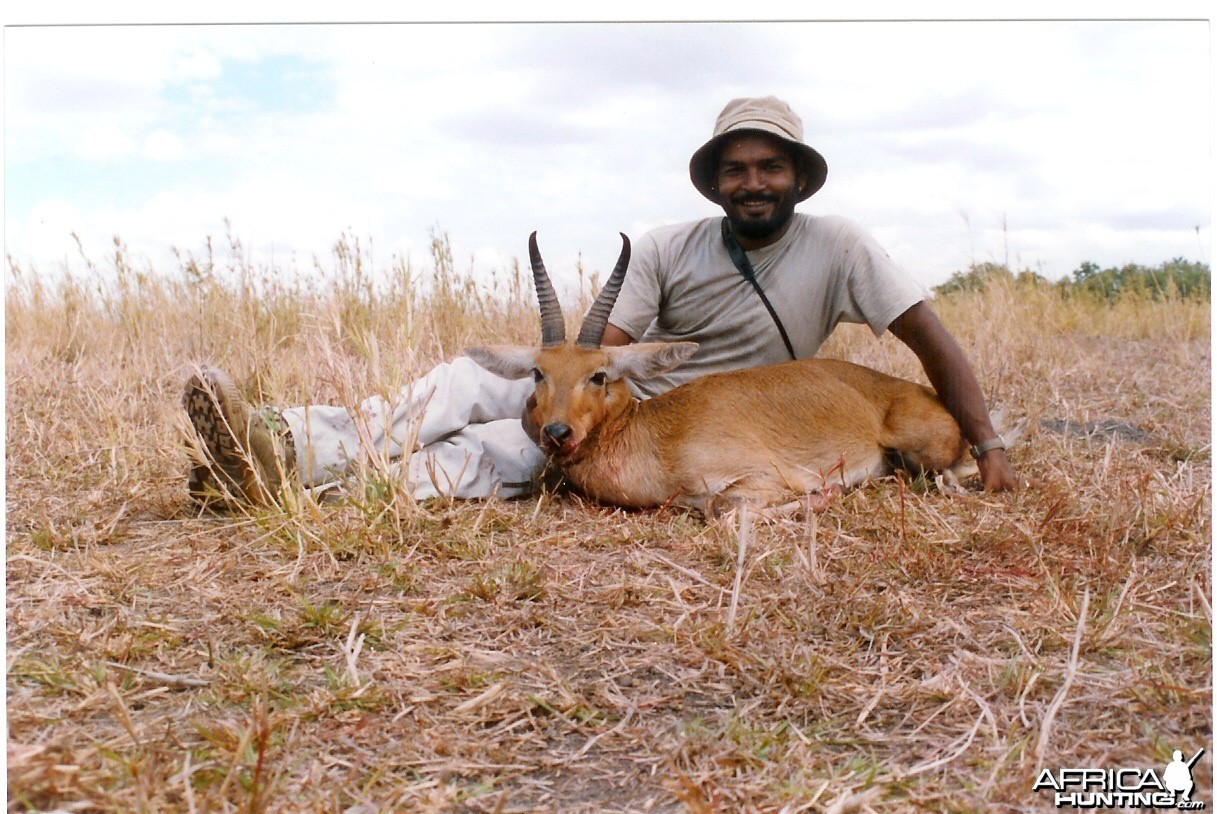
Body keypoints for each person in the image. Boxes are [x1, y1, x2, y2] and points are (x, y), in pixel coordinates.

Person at [183, 95, 1018, 508]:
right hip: (633, 402)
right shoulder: (664, 247)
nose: (753, 182)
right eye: (736, 169)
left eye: (770, 168)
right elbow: (593, 356)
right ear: (716, 181)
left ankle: (310, 495)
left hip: (743, 419)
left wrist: (989, 448)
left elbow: (932, 342)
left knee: (498, 460)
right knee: (480, 390)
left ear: (797, 176)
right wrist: (560, 404)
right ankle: (286, 444)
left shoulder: (841, 245)